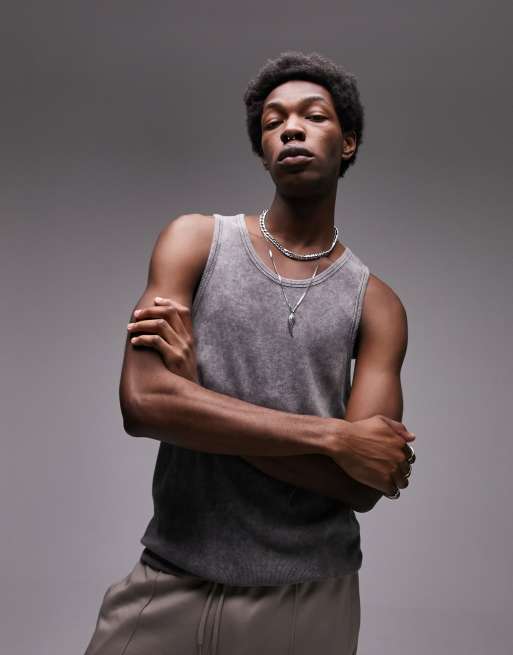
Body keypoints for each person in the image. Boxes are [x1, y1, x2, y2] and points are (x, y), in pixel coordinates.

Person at [84, 50, 416, 655]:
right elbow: (144, 404)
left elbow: (361, 486)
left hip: (309, 596)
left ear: (347, 143)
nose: (290, 128)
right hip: (172, 573)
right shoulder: (194, 241)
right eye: (273, 121)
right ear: (263, 151)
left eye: (313, 115)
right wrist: (334, 437)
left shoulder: (378, 305)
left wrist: (196, 399)